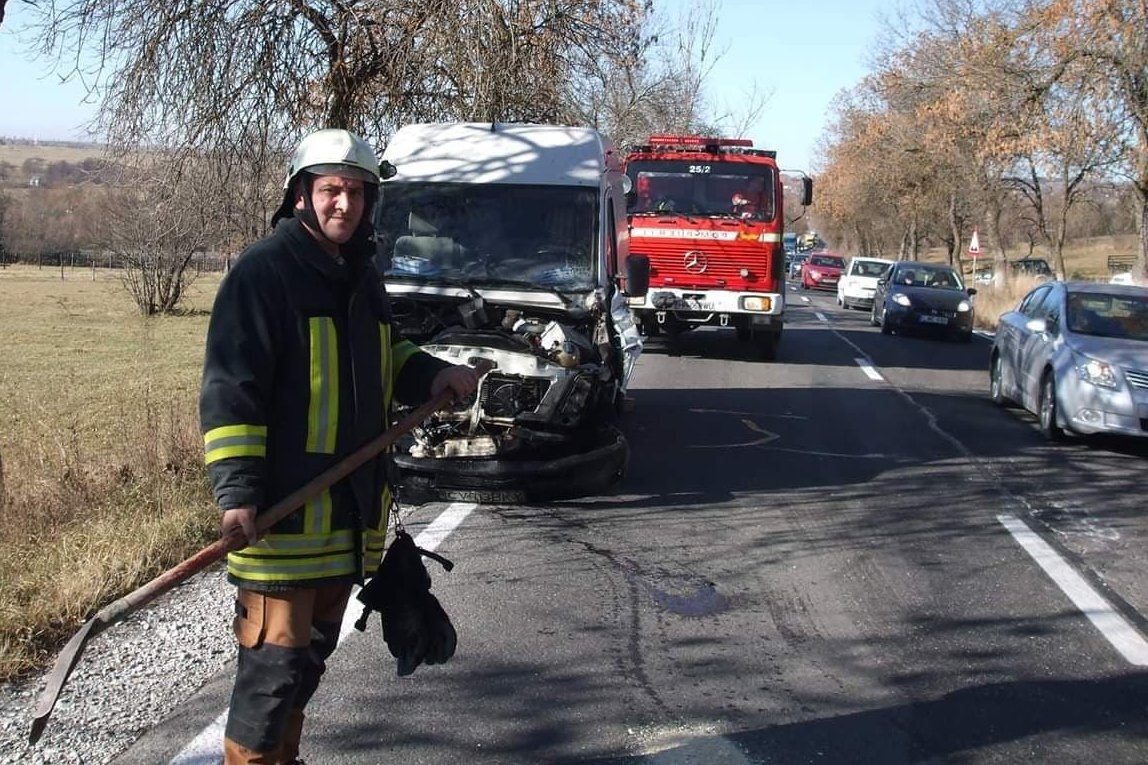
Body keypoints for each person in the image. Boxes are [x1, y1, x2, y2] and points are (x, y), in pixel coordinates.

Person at [199, 128, 480, 765]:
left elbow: (388, 355)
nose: (343, 205)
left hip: (345, 524)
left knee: (302, 676)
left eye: (355, 192)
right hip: (281, 524)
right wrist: (238, 492)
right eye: (330, 190)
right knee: (271, 680)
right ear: (301, 196)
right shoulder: (264, 275)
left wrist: (431, 374)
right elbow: (229, 388)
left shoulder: (359, 276)